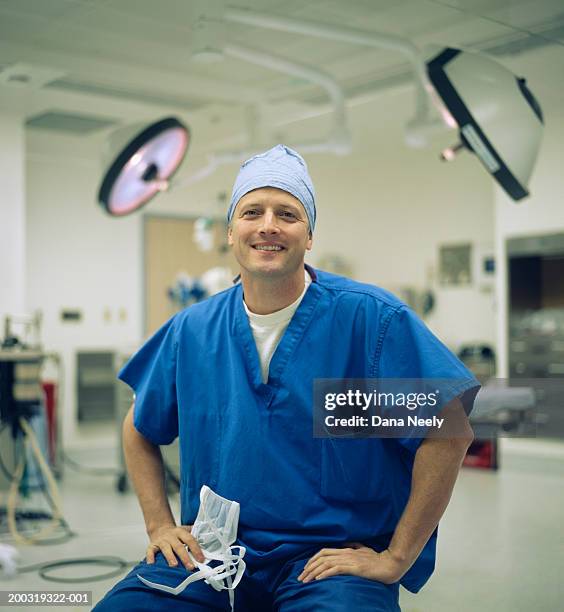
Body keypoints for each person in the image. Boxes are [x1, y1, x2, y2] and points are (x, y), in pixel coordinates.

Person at [94, 144, 479, 611]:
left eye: (288, 214)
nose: (268, 225)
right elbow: (139, 428)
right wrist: (159, 525)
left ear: (310, 234)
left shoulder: (368, 323)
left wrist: (396, 557)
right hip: (212, 555)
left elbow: (447, 430)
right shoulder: (192, 331)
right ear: (232, 231)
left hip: (324, 565)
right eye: (252, 211)